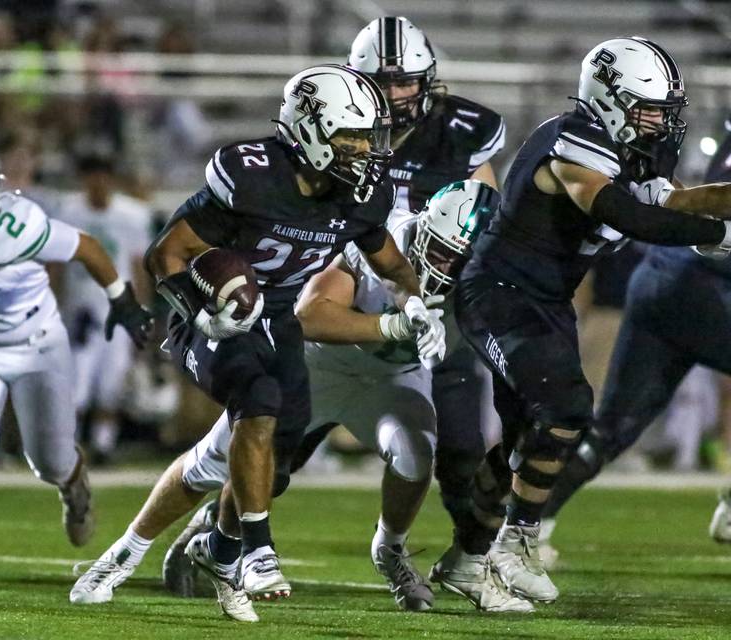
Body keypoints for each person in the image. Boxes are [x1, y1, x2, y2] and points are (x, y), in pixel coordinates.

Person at [69, 64, 444, 623]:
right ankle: (257, 551)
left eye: (369, 136)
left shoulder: (360, 193)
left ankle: (158, 555)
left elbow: (390, 262)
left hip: (278, 318)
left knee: (260, 457)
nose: (366, 150)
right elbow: (164, 256)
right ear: (311, 132)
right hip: (211, 313)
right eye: (352, 136)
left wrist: (412, 302)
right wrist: (201, 311)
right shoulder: (253, 176)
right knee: (258, 398)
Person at [161, 180, 531, 613]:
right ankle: (178, 540)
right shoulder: (384, 246)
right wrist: (388, 327)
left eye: (459, 259)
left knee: (415, 454)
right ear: (424, 228)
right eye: (441, 251)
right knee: (227, 462)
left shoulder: (482, 288)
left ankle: (389, 550)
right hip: (319, 368)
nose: (445, 267)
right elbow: (310, 316)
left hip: (393, 379)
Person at [453, 36, 731, 605]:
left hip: (545, 299)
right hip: (498, 290)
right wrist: (719, 234)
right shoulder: (574, 140)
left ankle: (467, 558)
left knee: (523, 441)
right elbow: (620, 212)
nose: (660, 122)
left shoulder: (634, 150)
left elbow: (669, 201)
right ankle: (516, 540)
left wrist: (722, 201)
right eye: (648, 108)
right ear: (607, 98)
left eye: (664, 110)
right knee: (565, 407)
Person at [284, 16, 507, 591]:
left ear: (427, 78)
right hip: (351, 282)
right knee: (281, 447)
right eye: (385, 81)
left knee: (457, 450)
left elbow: (485, 209)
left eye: (408, 80)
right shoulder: (339, 125)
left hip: (435, 304)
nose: (398, 93)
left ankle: (471, 561)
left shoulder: (461, 131)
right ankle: (226, 532)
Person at [0, 138, 152, 578]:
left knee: (49, 461)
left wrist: (121, 300)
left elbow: (87, 247)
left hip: (39, 344)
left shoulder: (18, 225)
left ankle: (73, 486)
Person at [538, 112, 731, 554]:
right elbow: (720, 198)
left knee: (610, 429)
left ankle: (528, 526)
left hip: (660, 280)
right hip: (706, 283)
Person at [56, 154, 153, 463]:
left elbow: (139, 267)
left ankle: (103, 445)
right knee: (76, 383)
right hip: (80, 310)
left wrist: (142, 310)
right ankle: (66, 447)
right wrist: (55, 306)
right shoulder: (69, 212)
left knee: (110, 382)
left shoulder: (131, 215)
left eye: (102, 173)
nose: (96, 181)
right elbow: (57, 265)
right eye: (90, 174)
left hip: (118, 309)